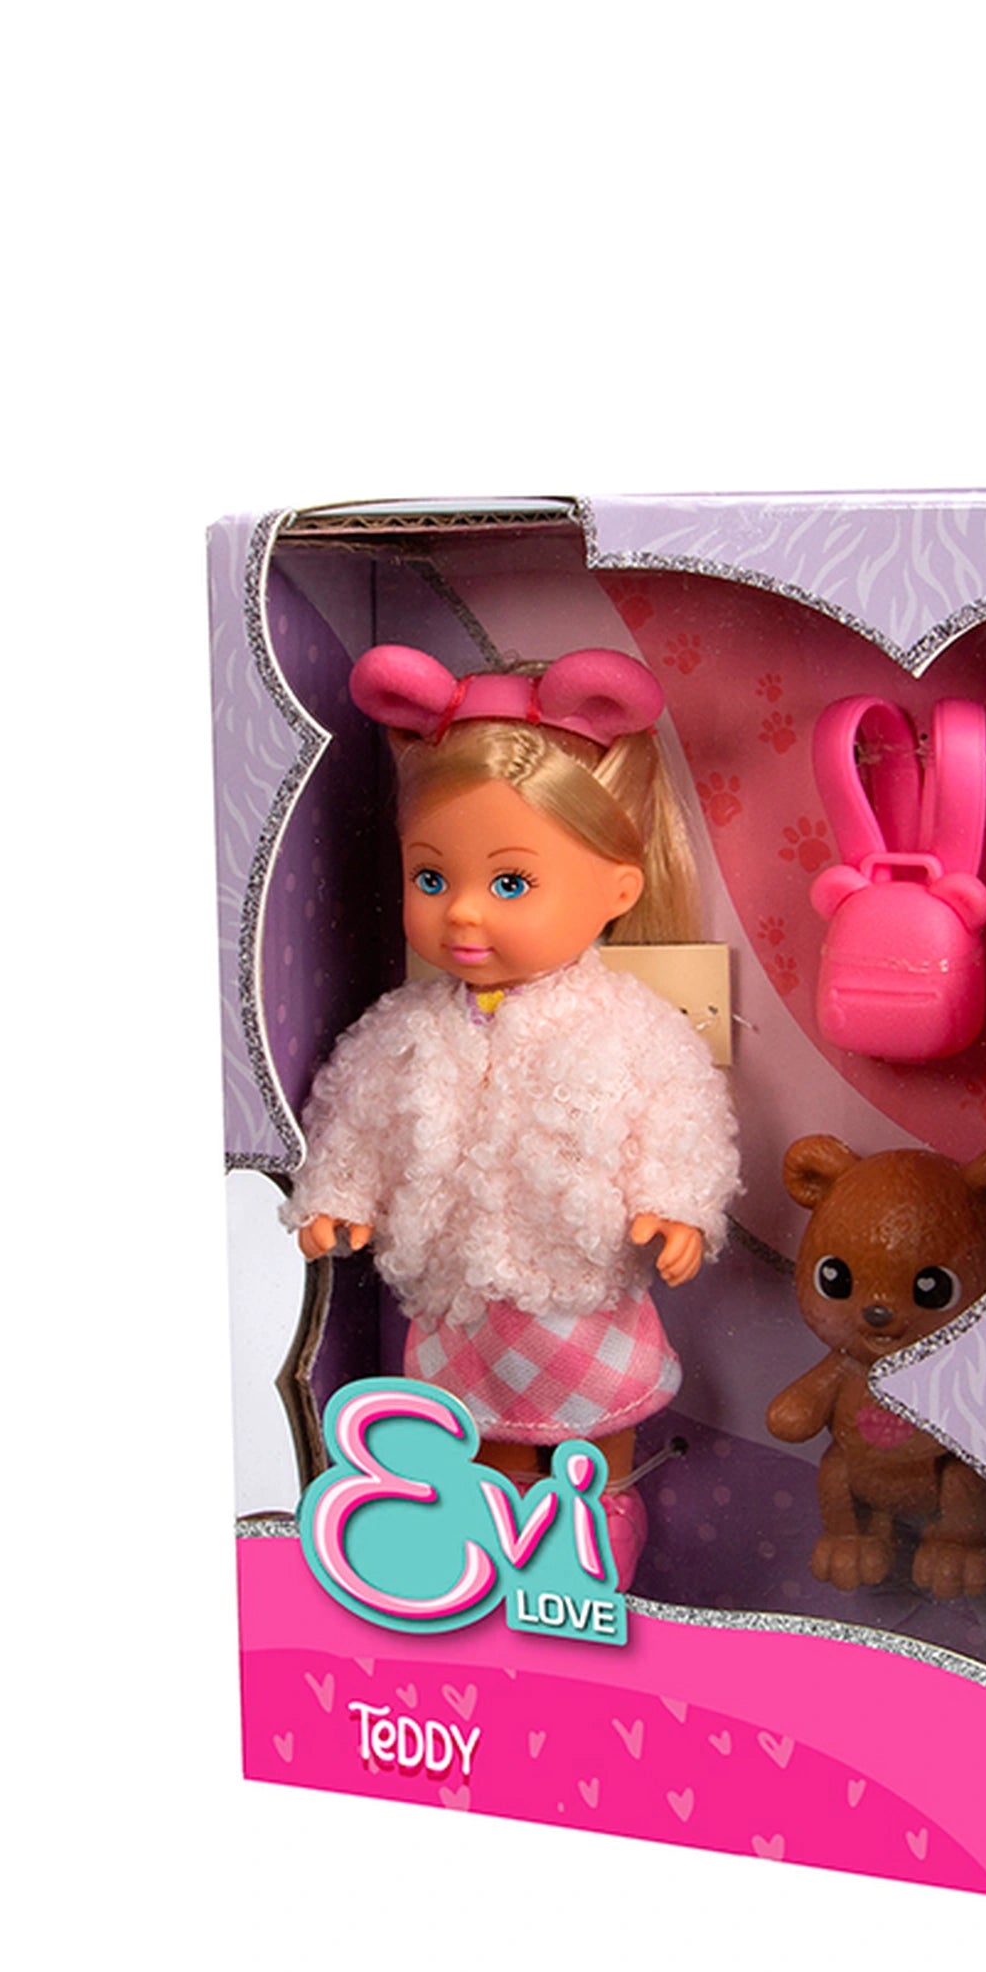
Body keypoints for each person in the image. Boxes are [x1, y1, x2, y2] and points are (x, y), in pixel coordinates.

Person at [287, 646, 739, 1568]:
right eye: (431, 879)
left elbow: (681, 1114)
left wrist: (677, 1208)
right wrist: (340, 1194)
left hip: (579, 1289)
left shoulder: (630, 1024)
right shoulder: (407, 1025)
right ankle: (500, 1554)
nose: (462, 914)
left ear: (618, 888)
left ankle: (596, 1545)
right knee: (482, 1443)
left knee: (593, 1449)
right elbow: (363, 1112)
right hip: (458, 1302)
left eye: (509, 884)